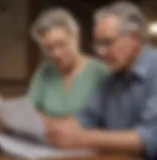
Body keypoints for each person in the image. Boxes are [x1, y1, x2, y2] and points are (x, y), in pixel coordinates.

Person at [45, 2, 157, 160]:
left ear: (135, 38)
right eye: (98, 44)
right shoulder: (113, 77)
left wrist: (83, 138)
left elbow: (151, 136)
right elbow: (85, 118)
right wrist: (45, 125)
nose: (101, 53)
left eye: (107, 43)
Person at [29, 9, 109, 118]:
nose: (56, 53)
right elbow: (30, 109)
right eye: (49, 48)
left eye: (61, 44)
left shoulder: (100, 73)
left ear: (76, 37)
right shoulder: (45, 70)